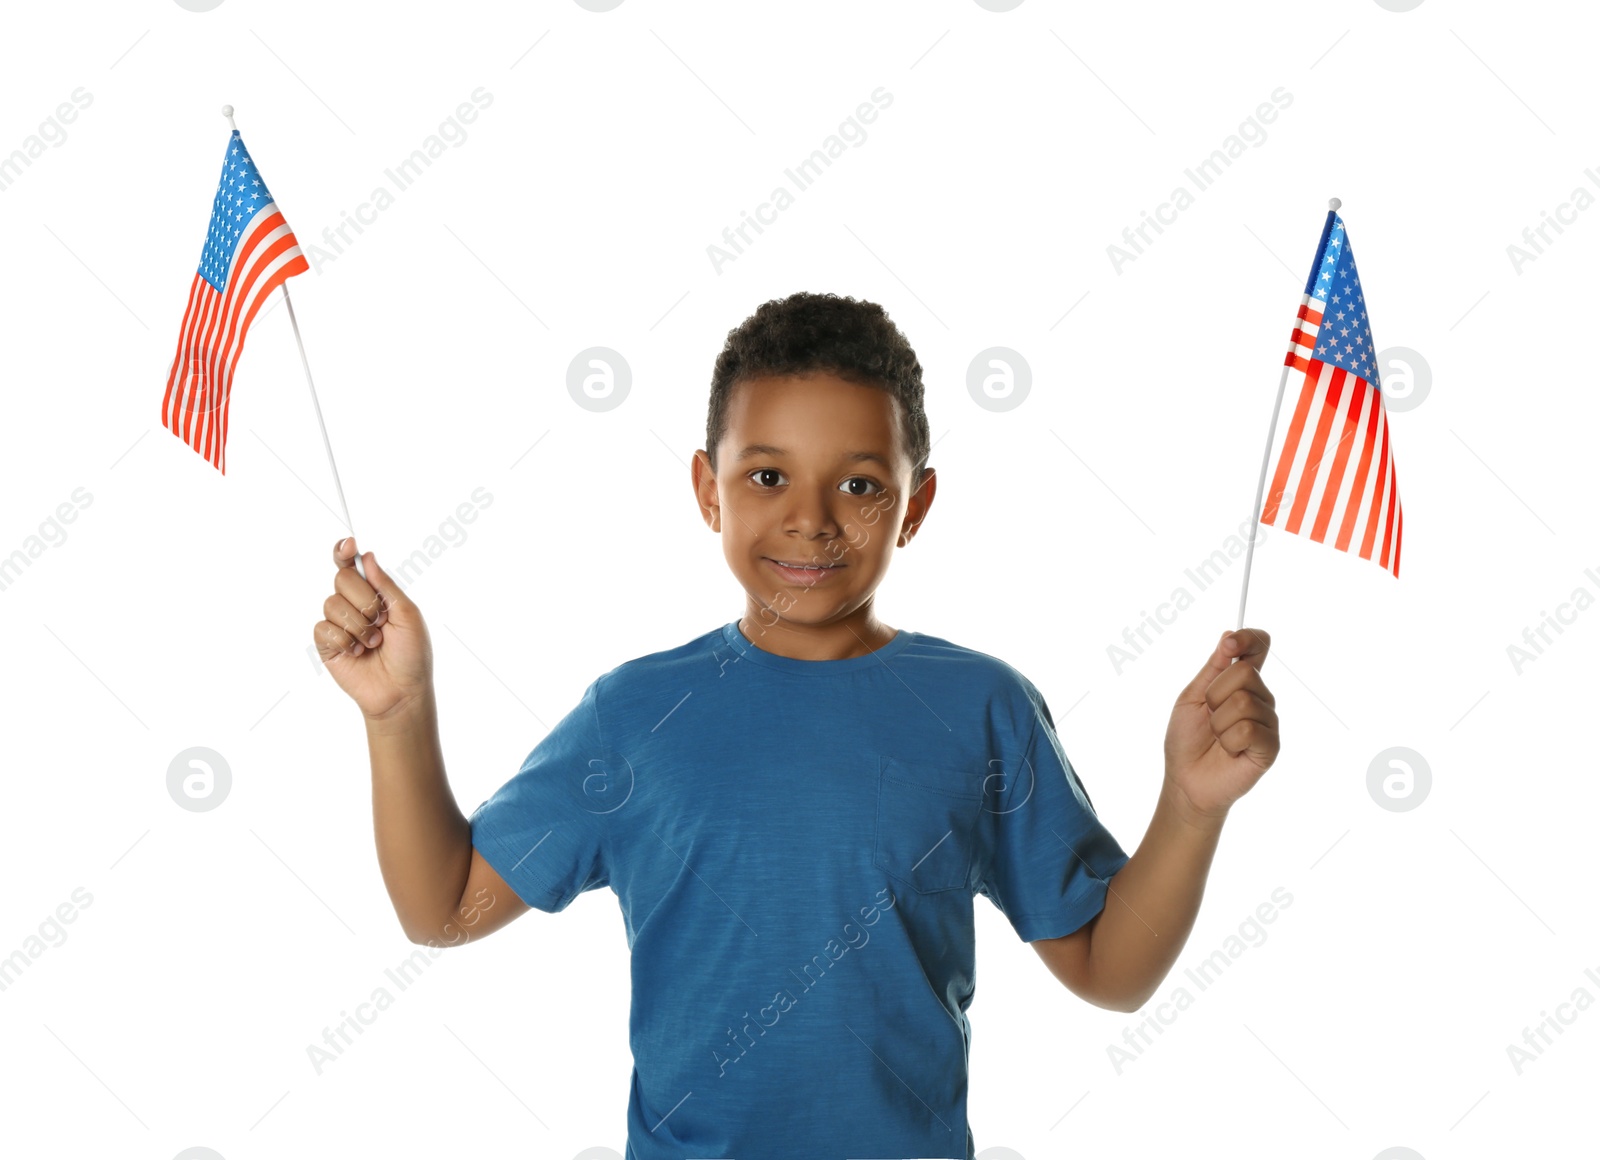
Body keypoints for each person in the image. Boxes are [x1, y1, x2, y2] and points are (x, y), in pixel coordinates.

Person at [313, 291, 1280, 1159]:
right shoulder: (637, 716)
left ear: (916, 505)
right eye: (768, 477)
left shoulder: (982, 708)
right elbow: (443, 909)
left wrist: (1191, 808)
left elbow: (1109, 970)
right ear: (707, 488)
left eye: (859, 485)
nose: (811, 521)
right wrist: (399, 714)